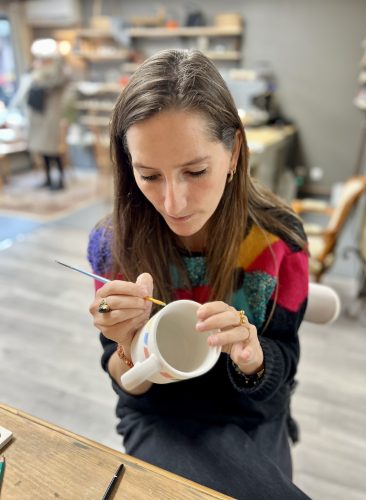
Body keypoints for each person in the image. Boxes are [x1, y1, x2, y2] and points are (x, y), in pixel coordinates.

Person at [88, 49, 310, 500]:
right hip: (161, 414)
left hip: (253, 410)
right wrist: (127, 348)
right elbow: (125, 384)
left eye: (195, 171)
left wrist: (252, 357)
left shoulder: (278, 242)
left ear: (233, 153)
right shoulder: (114, 245)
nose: (173, 203)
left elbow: (283, 366)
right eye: (149, 175)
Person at [10, 38, 68, 190]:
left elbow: (56, 81)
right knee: (43, 149)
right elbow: (27, 82)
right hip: (37, 115)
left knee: (53, 149)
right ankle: (48, 178)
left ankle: (60, 180)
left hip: (51, 116)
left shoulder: (57, 70)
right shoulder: (35, 70)